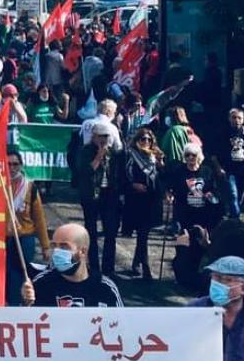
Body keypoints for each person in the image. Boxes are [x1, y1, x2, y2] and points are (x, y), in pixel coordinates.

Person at [24, 223, 124, 307]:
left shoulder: (105, 288)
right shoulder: (42, 284)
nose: (57, 251)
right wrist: (27, 302)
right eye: (54, 246)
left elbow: (121, 321)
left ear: (83, 252)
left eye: (64, 246)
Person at [167, 143, 222, 288]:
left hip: (202, 216)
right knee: (182, 248)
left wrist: (210, 195)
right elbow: (170, 187)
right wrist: (169, 194)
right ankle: (180, 278)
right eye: (187, 155)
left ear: (199, 156)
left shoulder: (206, 171)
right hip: (183, 215)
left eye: (193, 155)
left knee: (198, 249)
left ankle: (191, 278)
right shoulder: (179, 171)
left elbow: (214, 190)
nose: (190, 158)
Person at [77, 121, 123, 276]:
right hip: (91, 195)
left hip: (109, 195)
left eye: (106, 136)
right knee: (91, 231)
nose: (104, 140)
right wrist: (98, 156)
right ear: (94, 137)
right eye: (101, 136)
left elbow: (117, 173)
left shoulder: (113, 153)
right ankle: (94, 267)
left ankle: (108, 268)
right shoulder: (85, 151)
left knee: (110, 232)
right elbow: (85, 171)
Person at [6, 150, 50, 306]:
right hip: (2, 239)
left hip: (24, 238)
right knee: (3, 274)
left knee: (20, 274)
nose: (12, 168)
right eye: (8, 164)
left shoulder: (29, 187)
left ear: (21, 165)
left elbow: (39, 218)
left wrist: (45, 246)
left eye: (15, 164)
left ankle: (17, 306)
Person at [122, 127, 165, 278]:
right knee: (142, 233)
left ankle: (137, 263)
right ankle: (144, 266)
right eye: (143, 139)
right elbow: (123, 176)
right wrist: (133, 185)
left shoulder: (154, 157)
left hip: (151, 199)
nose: (146, 142)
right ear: (137, 141)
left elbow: (162, 178)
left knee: (144, 233)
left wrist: (161, 164)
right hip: (136, 200)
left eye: (149, 139)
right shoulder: (130, 155)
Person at [216, 108, 244, 219]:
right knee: (233, 193)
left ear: (243, 119)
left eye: (239, 118)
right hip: (228, 169)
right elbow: (215, 153)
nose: (236, 120)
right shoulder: (223, 133)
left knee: (240, 193)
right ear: (229, 119)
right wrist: (218, 167)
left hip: (243, 168)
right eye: (234, 117)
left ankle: (232, 212)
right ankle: (236, 218)